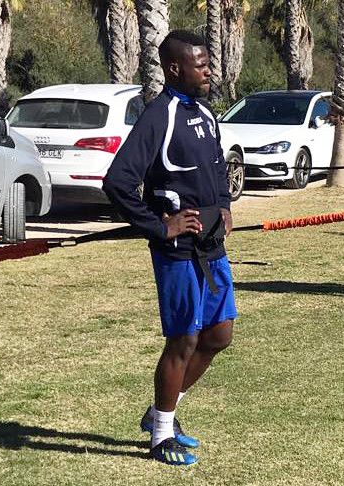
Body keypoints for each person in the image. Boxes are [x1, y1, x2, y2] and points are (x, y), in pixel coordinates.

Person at [102, 30, 236, 466]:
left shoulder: (205, 113)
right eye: (200, 64)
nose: (208, 71)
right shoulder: (159, 115)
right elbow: (118, 182)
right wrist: (160, 226)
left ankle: (160, 410)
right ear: (175, 69)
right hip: (178, 252)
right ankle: (161, 435)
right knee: (184, 339)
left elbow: (215, 168)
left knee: (219, 336)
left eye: (208, 63)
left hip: (212, 247)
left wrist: (225, 208)